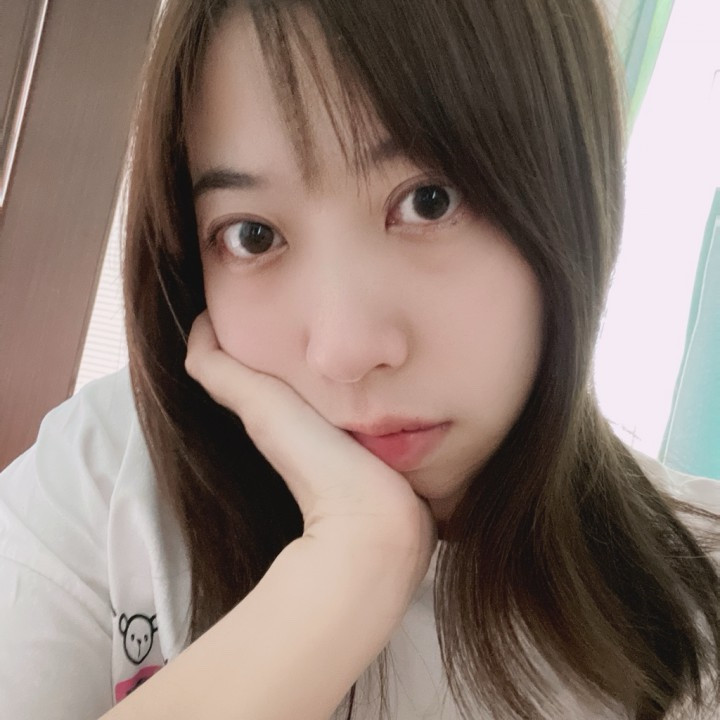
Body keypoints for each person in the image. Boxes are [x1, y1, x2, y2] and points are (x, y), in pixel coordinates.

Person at [1, 0, 719, 718]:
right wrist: (349, 566)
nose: (344, 350)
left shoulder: (699, 601)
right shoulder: (108, 476)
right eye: (252, 236)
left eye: (430, 202)